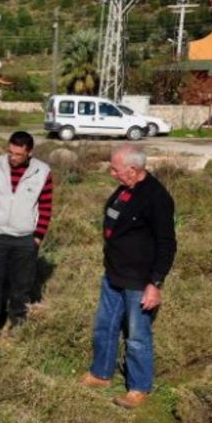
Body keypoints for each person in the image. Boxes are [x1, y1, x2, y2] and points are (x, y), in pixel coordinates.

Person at [80, 145, 176, 409]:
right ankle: (101, 374)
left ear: (133, 171)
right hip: (114, 274)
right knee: (105, 327)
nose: (112, 173)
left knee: (137, 336)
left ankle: (138, 387)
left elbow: (167, 244)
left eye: (115, 169)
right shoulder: (125, 189)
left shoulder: (156, 198)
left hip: (139, 281)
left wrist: (154, 284)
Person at [0, 131, 54, 342]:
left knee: (21, 285)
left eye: (18, 154)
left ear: (29, 153)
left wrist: (37, 237)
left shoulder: (42, 171)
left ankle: (17, 325)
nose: (12, 157)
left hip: (25, 239)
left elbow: (45, 206)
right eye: (10, 152)